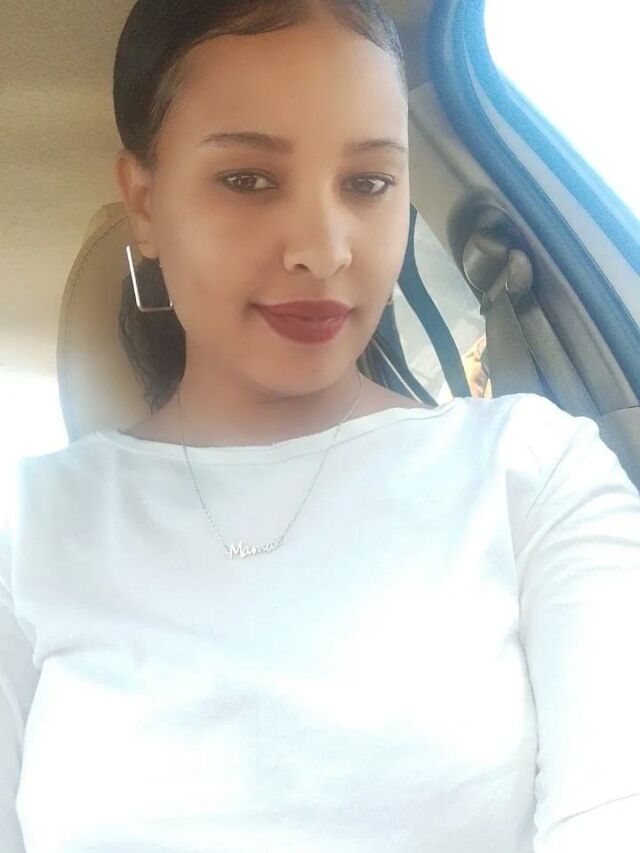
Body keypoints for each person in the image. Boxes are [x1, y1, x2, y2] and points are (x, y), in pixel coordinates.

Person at [2, 2, 640, 851]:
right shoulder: (29, 529)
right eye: (248, 179)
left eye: (368, 183)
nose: (325, 247)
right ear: (145, 201)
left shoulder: (535, 473)